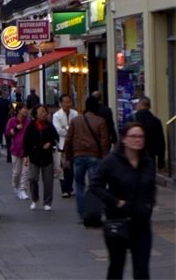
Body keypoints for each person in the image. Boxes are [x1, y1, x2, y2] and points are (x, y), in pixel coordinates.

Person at [89, 122, 156, 279]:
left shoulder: (147, 163)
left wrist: (148, 205)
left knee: (142, 270)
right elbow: (95, 185)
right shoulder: (111, 161)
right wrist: (115, 202)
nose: (137, 140)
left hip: (141, 223)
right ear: (124, 139)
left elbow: (150, 188)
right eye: (133, 136)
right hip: (117, 222)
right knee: (116, 267)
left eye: (141, 136)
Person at [64, 95, 111, 219]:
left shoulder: (75, 121)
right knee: (94, 184)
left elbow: (68, 140)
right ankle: (94, 210)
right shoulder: (100, 121)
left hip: (78, 156)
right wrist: (106, 159)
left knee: (79, 185)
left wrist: (68, 157)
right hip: (94, 156)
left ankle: (81, 211)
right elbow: (104, 142)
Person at [23, 104, 59, 210]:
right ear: (36, 114)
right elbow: (26, 142)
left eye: (45, 112)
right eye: (41, 112)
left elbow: (55, 138)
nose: (44, 114)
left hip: (47, 156)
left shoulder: (49, 126)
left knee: (48, 180)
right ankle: (34, 198)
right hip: (34, 156)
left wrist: (50, 143)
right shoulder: (31, 126)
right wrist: (26, 155)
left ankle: (47, 202)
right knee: (33, 178)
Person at [128, 96, 166, 170]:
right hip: (150, 156)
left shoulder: (132, 119)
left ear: (139, 105)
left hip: (135, 155)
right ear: (149, 107)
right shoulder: (156, 121)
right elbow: (161, 142)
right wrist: (161, 161)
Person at [52, 93, 79, 198]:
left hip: (73, 145)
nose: (68, 104)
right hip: (62, 144)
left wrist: (66, 128)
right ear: (61, 103)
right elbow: (58, 130)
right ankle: (64, 189)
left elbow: (77, 128)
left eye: (69, 102)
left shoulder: (75, 113)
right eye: (65, 102)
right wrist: (69, 129)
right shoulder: (57, 115)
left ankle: (69, 187)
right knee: (62, 168)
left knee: (71, 168)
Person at [5, 103, 30, 200]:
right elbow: (7, 133)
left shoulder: (28, 121)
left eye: (26, 108)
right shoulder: (12, 121)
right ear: (18, 110)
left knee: (25, 171)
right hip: (15, 149)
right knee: (16, 172)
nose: (25, 110)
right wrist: (15, 129)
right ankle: (16, 187)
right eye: (24, 108)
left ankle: (23, 189)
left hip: (26, 150)